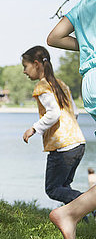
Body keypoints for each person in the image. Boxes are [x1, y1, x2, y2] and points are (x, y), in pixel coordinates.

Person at [47, 0, 96, 239]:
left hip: (90, 82)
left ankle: (70, 213)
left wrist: (88, 46)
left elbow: (54, 37)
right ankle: (69, 212)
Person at [21, 45, 86, 206]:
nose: (24, 71)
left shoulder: (42, 86)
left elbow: (53, 113)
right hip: (78, 143)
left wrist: (34, 128)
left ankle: (91, 203)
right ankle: (79, 219)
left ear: (36, 64)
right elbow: (75, 112)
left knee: (53, 189)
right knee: (65, 187)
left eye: (25, 66)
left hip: (63, 147)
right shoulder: (60, 84)